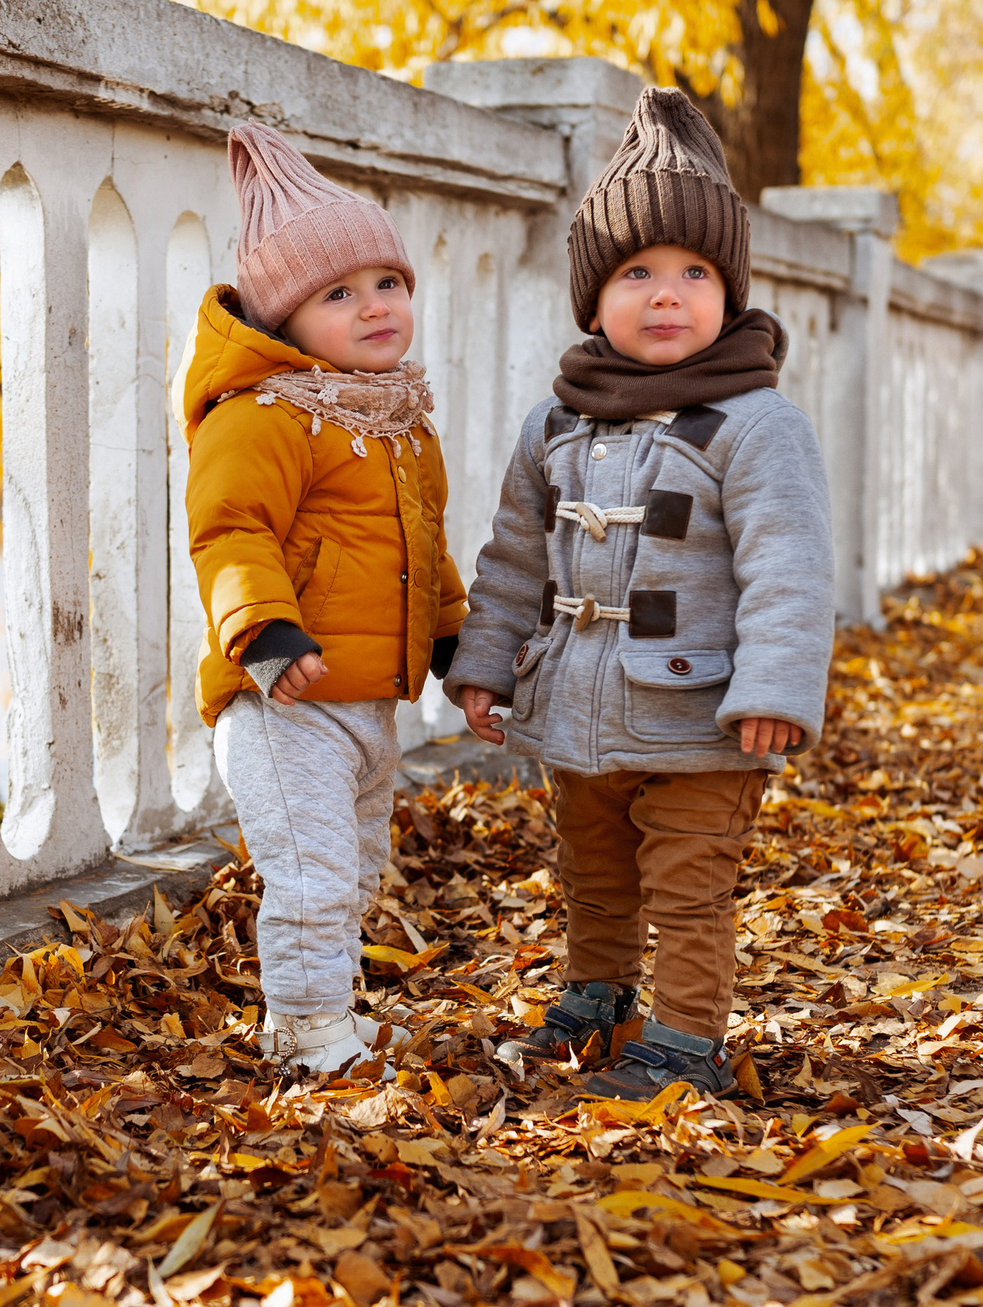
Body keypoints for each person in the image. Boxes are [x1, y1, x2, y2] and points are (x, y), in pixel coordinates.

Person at [445, 89, 833, 1100]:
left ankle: (684, 1035)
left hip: (703, 719)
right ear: (594, 297)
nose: (668, 295)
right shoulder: (555, 426)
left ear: (730, 292)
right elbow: (514, 560)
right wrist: (487, 666)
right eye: (637, 273)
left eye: (695, 273)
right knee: (594, 872)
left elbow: (789, 567)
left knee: (689, 885)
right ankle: (597, 996)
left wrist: (776, 690)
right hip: (579, 709)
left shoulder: (754, 425)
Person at [183, 122, 467, 1077]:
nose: (374, 306)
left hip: (367, 703)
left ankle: (320, 1013)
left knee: (348, 873)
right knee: (306, 876)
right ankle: (309, 1038)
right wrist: (262, 631)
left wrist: (458, 646)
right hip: (284, 697)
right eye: (337, 293)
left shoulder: (396, 422)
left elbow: (424, 551)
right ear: (286, 320)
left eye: (386, 283)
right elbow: (229, 532)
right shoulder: (265, 417)